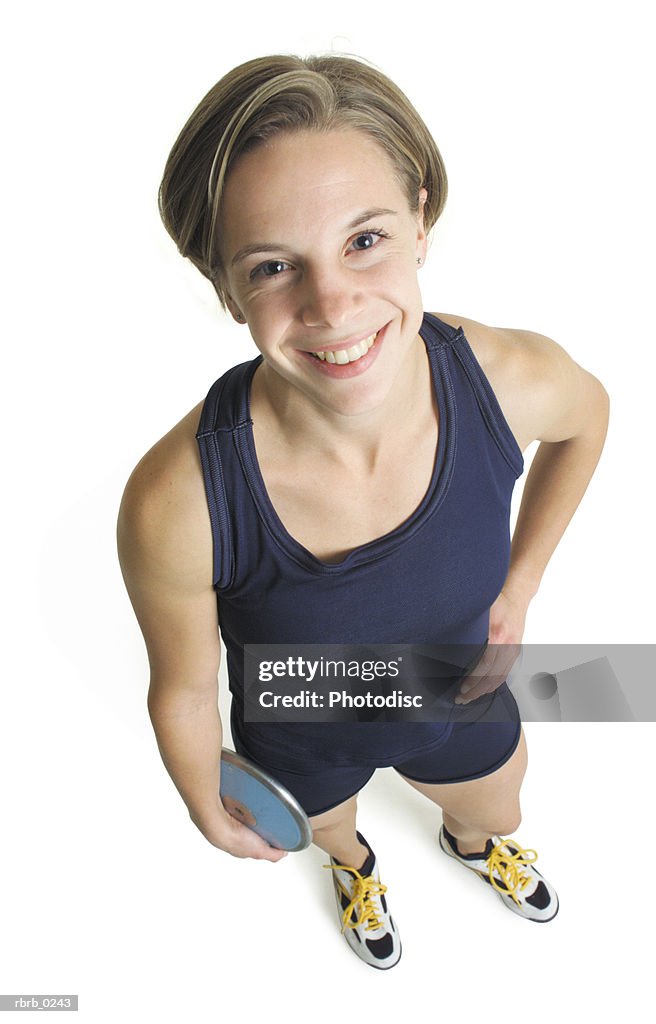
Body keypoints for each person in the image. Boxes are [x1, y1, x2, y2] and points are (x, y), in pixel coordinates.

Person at [116, 54, 609, 970]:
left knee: (497, 806)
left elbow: (590, 421)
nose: (333, 304)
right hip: (300, 720)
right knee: (333, 829)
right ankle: (355, 868)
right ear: (225, 288)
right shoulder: (177, 500)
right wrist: (205, 808)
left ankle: (471, 847)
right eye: (273, 266)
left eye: (365, 238)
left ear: (421, 217)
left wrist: (526, 579)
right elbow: (182, 690)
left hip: (456, 690)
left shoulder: (511, 381)